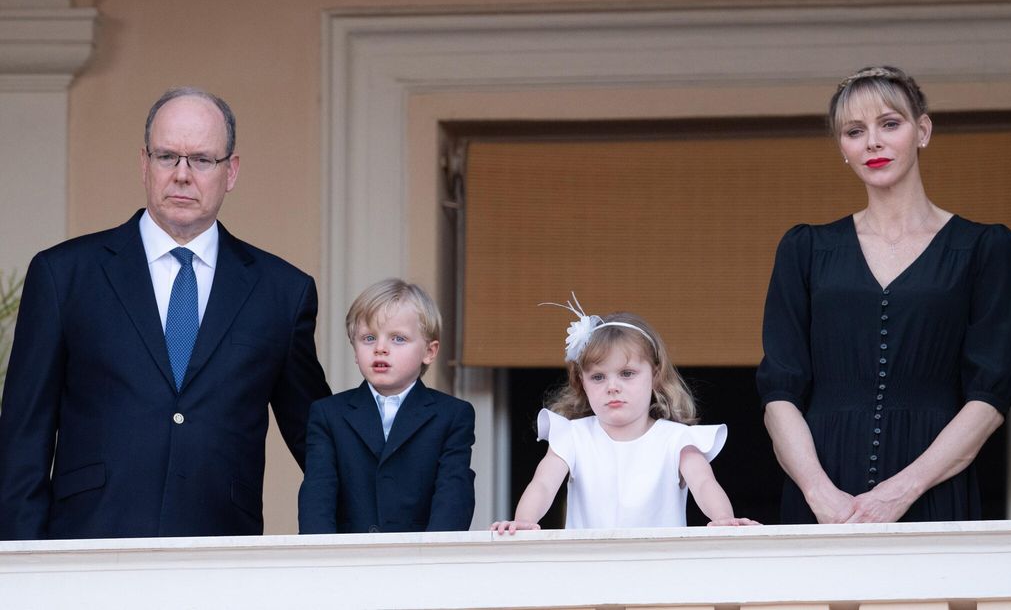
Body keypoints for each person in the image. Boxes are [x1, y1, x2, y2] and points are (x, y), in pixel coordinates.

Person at [0, 87, 331, 539]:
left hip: (218, 555)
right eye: (166, 157)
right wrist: (21, 570)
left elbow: (319, 443)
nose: (182, 175)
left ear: (230, 171)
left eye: (201, 159)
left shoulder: (281, 292)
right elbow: (22, 440)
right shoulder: (64, 275)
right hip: (87, 553)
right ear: (144, 164)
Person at [758, 65, 1011, 524]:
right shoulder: (804, 249)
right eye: (854, 131)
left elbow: (990, 395)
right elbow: (780, 390)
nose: (872, 143)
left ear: (922, 130)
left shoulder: (987, 249)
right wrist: (820, 495)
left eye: (889, 124)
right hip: (821, 496)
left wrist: (903, 490)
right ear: (842, 148)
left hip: (933, 488)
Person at [491, 296, 757, 533]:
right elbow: (543, 485)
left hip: (661, 571)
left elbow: (703, 483)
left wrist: (724, 519)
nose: (612, 387)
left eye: (627, 373)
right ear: (581, 382)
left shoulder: (676, 439)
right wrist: (524, 520)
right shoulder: (572, 436)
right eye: (598, 377)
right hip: (590, 570)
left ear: (654, 375)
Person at [298, 278, 475, 533]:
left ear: (429, 351)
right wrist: (323, 562)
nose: (381, 348)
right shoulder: (328, 415)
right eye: (368, 338)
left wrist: (434, 560)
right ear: (354, 348)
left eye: (398, 339)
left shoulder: (452, 415)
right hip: (347, 563)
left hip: (420, 563)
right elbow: (317, 495)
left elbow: (453, 496)